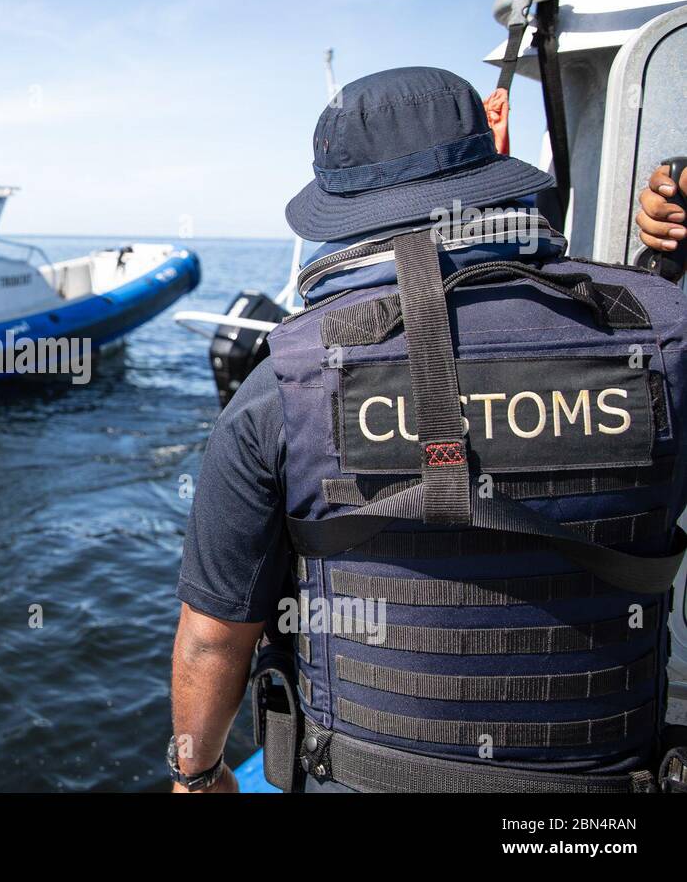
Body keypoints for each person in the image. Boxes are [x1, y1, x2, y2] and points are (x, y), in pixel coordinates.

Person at [169, 67, 687, 794]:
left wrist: (196, 776)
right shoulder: (662, 340)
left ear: (341, 210)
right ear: (491, 178)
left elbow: (213, 634)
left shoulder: (283, 383)